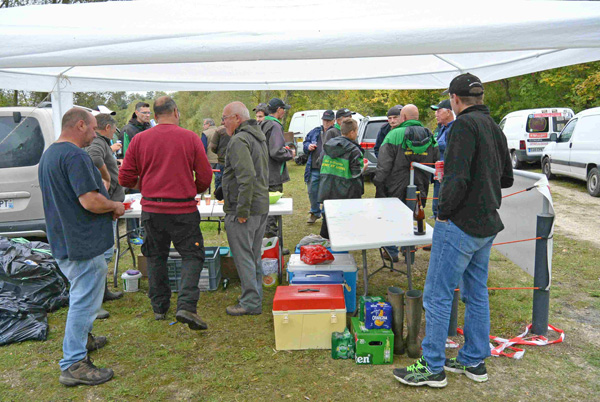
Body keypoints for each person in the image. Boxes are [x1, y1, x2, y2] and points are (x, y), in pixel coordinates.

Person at [393, 73, 513, 388]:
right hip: (486, 223)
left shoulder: (462, 126)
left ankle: (432, 367)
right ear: (480, 98)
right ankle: (474, 360)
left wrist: (444, 212)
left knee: (436, 293)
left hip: (460, 223)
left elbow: (458, 179)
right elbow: (506, 178)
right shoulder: (494, 128)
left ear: (455, 100)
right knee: (476, 294)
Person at [39, 108, 125, 386]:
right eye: (91, 128)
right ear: (79, 125)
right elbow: (90, 200)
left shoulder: (50, 153)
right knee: (83, 299)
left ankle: (82, 341)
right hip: (81, 242)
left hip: (66, 238)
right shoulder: (74, 155)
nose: (94, 133)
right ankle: (73, 362)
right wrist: (114, 206)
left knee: (85, 296)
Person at [119, 96, 212, 330]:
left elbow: (125, 177)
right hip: (183, 208)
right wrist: (192, 189)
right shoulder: (190, 137)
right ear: (176, 112)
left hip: (152, 208)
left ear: (156, 115)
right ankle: (187, 306)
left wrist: (147, 186)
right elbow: (205, 175)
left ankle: (160, 307)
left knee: (155, 255)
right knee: (192, 255)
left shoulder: (140, 139)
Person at [220, 101, 269, 316]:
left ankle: (250, 301)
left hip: (246, 208)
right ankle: (254, 295)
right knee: (253, 254)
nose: (223, 123)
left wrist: (241, 211)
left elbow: (246, 177)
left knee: (244, 256)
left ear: (237, 118)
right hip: (259, 204)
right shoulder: (256, 136)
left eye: (225, 118)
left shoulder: (240, 140)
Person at [373, 104, 439, 262]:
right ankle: (409, 251)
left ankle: (391, 251)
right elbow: (436, 161)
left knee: (391, 218)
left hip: (394, 186)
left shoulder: (394, 134)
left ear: (403, 118)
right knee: (415, 217)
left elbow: (384, 164)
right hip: (420, 185)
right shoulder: (430, 136)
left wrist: (378, 182)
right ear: (417, 118)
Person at [84, 113, 125, 320]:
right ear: (107, 127)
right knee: (103, 255)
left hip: (108, 203)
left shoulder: (101, 142)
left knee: (105, 253)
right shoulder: (99, 143)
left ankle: (103, 292)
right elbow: (94, 158)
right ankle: (94, 302)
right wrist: (106, 177)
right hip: (104, 204)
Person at [317, 118, 366, 239]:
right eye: (357, 131)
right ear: (352, 132)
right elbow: (356, 172)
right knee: (346, 219)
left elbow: (319, 163)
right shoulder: (354, 150)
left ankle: (326, 239)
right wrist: (364, 167)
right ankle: (344, 240)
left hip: (327, 188)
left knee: (328, 217)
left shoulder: (328, 146)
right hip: (347, 192)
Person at [259, 97, 295, 241]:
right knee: (273, 212)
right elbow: (275, 151)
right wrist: (289, 153)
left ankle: (264, 242)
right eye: (283, 110)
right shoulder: (274, 125)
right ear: (279, 110)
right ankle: (272, 245)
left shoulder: (262, 123)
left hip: (263, 173)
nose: (284, 112)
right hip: (273, 175)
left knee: (264, 210)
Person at [120, 102, 152, 246]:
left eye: (149, 113)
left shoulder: (150, 127)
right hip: (135, 172)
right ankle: (132, 234)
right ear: (137, 113)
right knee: (132, 203)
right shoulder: (128, 129)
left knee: (146, 202)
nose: (147, 115)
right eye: (144, 113)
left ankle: (145, 231)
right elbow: (126, 154)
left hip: (149, 171)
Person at [303, 110, 335, 224]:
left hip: (329, 168)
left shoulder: (336, 132)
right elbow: (305, 143)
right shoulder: (315, 131)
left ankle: (326, 214)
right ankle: (315, 212)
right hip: (314, 168)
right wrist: (308, 146)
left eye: (328, 120)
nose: (326, 123)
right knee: (312, 191)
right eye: (324, 120)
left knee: (328, 193)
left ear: (333, 121)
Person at [430, 99, 455, 219]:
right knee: (436, 199)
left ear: (448, 112)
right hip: (439, 172)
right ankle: (436, 216)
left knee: (443, 202)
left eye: (439, 111)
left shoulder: (455, 129)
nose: (436, 114)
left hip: (448, 172)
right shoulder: (442, 128)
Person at [209, 124, 230, 191]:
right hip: (235, 162)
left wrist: (219, 153)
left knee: (219, 183)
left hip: (221, 161)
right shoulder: (238, 129)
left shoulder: (219, 131)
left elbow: (212, 146)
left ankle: (219, 199)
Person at [203, 118, 219, 191]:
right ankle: (219, 196)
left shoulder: (205, 133)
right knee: (219, 179)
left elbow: (203, 148)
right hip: (220, 159)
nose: (203, 126)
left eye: (204, 124)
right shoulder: (221, 131)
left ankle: (206, 194)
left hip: (209, 160)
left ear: (208, 124)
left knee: (207, 179)